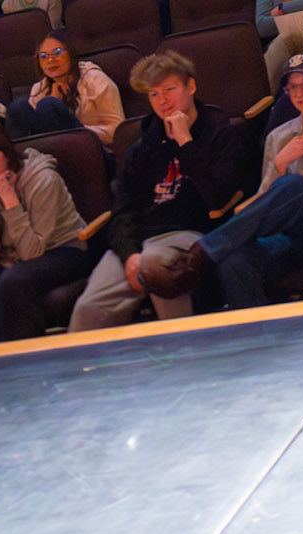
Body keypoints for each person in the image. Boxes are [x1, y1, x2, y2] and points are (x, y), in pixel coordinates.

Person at [135, 52, 303, 309]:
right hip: (288, 236)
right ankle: (257, 337)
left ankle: (200, 255)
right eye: (292, 87)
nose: (300, 92)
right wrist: (279, 165)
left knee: (294, 187)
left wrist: (299, 188)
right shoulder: (279, 136)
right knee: (234, 260)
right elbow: (266, 203)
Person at [69, 50, 245, 330]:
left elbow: (219, 198)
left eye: (169, 89)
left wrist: (186, 144)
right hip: (140, 243)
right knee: (89, 307)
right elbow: (122, 211)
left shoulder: (219, 132)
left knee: (156, 265)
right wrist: (129, 255)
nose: (162, 100)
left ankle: (184, 354)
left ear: (191, 86)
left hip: (191, 235)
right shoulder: (141, 146)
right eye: (153, 94)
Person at [0, 118, 91, 345]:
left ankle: (22, 359)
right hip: (12, 257)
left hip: (65, 249)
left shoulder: (43, 179)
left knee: (14, 280)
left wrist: (10, 200)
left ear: (8, 156)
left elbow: (32, 251)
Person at [7, 32, 125, 143]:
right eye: (43, 56)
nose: (50, 60)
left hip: (93, 149)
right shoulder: (39, 89)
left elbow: (118, 130)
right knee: (18, 107)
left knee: (48, 105)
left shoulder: (95, 79)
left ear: (71, 54)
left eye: (57, 52)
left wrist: (75, 127)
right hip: (51, 151)